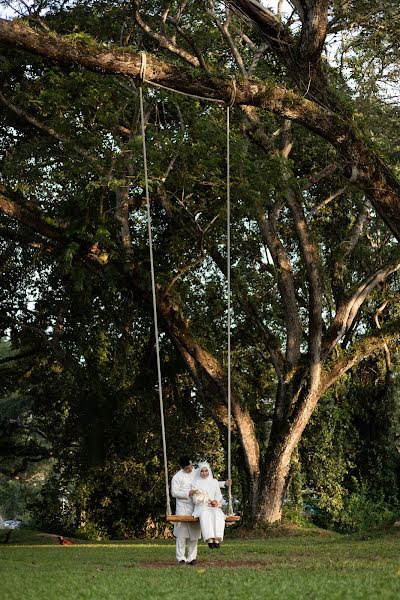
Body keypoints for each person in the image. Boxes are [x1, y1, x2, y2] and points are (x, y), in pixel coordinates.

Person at [170, 456, 230, 565]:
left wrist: (224, 484)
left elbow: (208, 480)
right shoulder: (177, 477)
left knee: (194, 535)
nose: (190, 469)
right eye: (188, 468)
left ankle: (192, 558)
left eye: (191, 466)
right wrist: (188, 493)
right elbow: (174, 493)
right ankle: (181, 558)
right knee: (181, 535)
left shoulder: (196, 472)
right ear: (182, 467)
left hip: (197, 507)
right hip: (183, 507)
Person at [191, 462, 226, 548]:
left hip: (213, 506)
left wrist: (216, 501)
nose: (204, 473)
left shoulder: (214, 482)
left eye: (206, 471)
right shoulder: (196, 483)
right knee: (205, 514)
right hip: (201, 506)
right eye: (202, 471)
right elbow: (195, 499)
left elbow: (219, 495)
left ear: (209, 471)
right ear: (199, 472)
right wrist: (204, 501)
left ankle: (217, 538)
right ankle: (209, 538)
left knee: (218, 514)